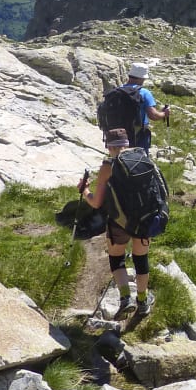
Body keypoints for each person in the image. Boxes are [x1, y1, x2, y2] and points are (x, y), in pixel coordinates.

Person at [77, 127, 154, 319]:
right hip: (144, 219)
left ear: (109, 146)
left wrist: (84, 191)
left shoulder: (108, 165)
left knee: (117, 258)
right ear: (126, 143)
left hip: (119, 221)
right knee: (141, 261)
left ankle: (126, 298)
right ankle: (143, 301)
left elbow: (96, 202)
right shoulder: (142, 157)